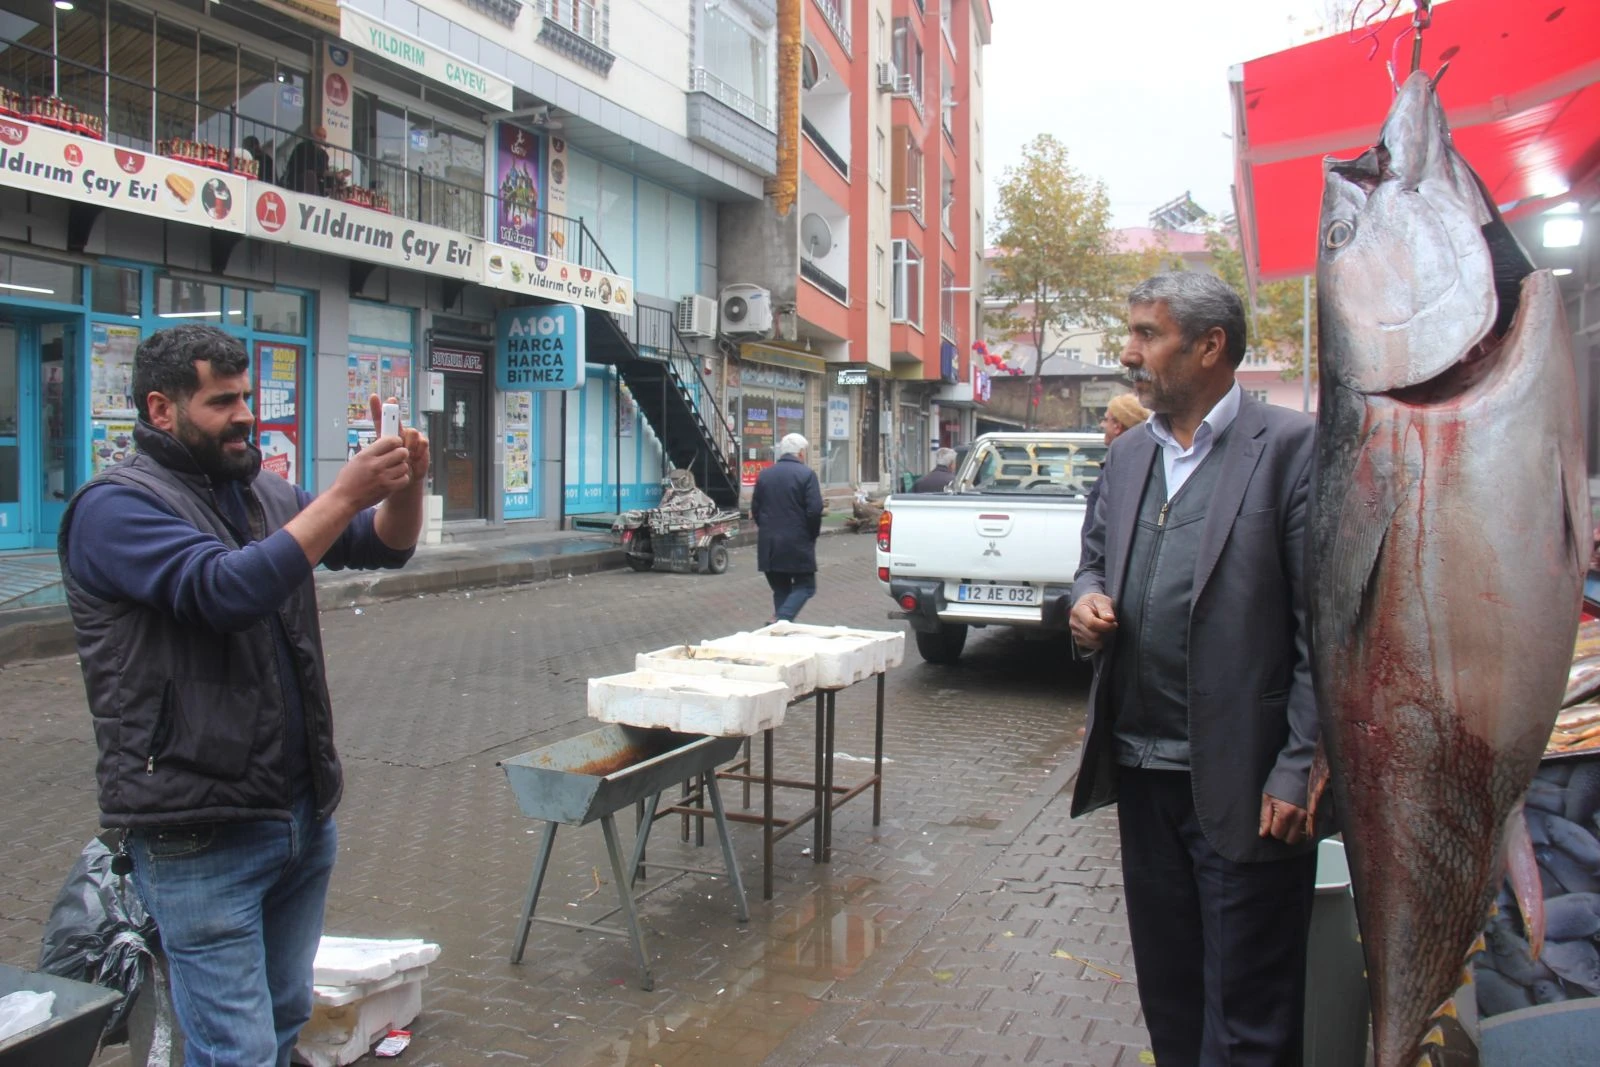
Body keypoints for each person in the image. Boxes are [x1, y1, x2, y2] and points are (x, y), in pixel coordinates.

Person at [57, 325, 429, 1066]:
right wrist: (344, 493)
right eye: (222, 402)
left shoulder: (261, 490)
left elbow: (382, 544)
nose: (245, 416)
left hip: (296, 814)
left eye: (247, 398)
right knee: (238, 1048)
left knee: (285, 1013)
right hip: (199, 830)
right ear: (161, 409)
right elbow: (222, 590)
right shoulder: (114, 507)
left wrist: (406, 483)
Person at [1067, 272, 1322, 1065]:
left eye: (1147, 334)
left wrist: (1300, 765)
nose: (1128, 351)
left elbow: (1325, 629)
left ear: (1211, 346)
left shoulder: (1293, 447)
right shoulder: (1128, 455)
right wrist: (1085, 603)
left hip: (1247, 785)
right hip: (1142, 775)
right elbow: (1092, 562)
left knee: (1248, 1023)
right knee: (1170, 1001)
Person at [752, 433, 823, 623]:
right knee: (806, 586)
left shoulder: (765, 475)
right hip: (797, 543)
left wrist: (767, 530)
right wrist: (811, 534)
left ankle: (782, 630)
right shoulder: (807, 474)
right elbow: (814, 510)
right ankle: (780, 619)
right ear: (800, 453)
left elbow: (756, 509)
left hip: (769, 545)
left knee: (781, 589)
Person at [1081, 392, 1148, 541]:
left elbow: (1100, 530)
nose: (1102, 425)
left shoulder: (1119, 469)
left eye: (1106, 420)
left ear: (1118, 426)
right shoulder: (1139, 464)